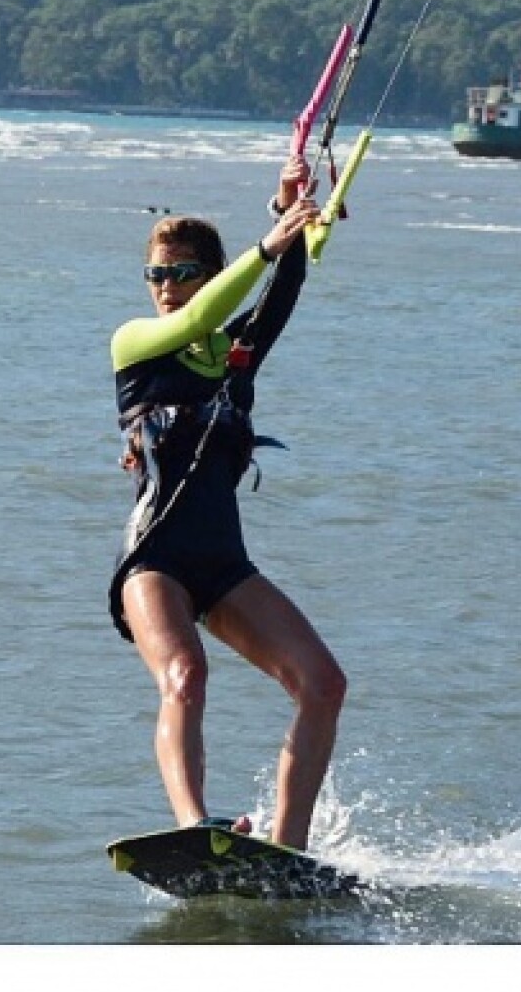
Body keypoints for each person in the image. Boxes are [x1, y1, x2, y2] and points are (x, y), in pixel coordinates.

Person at [107, 143, 347, 851]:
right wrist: (267, 243)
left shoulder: (236, 359)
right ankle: (193, 825)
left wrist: (287, 210)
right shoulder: (137, 346)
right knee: (186, 673)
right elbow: (193, 322)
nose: (166, 287)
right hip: (154, 560)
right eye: (156, 274)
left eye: (182, 273)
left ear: (209, 276)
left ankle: (288, 849)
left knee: (323, 683)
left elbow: (281, 291)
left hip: (222, 563)